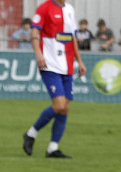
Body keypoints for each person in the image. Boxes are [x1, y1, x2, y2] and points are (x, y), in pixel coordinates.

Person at [22, 0, 86, 159]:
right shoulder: (44, 8)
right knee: (59, 104)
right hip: (50, 64)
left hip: (68, 66)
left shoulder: (70, 9)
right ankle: (31, 133)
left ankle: (53, 148)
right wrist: (38, 54)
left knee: (64, 108)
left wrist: (80, 61)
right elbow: (34, 33)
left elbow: (72, 39)